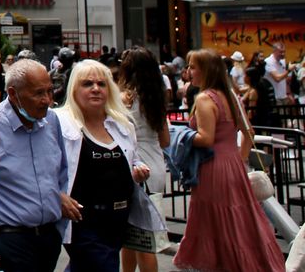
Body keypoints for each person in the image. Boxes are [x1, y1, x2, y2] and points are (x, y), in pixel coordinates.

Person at [175, 49, 284, 271]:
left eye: (193, 67)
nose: (189, 71)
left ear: (205, 70)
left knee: (215, 223)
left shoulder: (205, 98)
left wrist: (179, 135)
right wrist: (240, 159)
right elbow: (249, 132)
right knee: (240, 221)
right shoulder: (230, 96)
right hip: (233, 164)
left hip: (213, 168)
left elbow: (206, 138)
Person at [0, 59, 67, 272]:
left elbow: (61, 174)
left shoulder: (51, 121)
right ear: (13, 94)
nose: (46, 100)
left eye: (49, 91)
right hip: (9, 240)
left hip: (49, 238)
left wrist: (59, 226)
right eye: (38, 93)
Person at [55, 60, 153, 270]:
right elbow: (44, 167)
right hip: (83, 220)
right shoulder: (60, 123)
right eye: (87, 84)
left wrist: (138, 168)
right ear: (74, 89)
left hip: (118, 219)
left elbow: (132, 157)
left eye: (101, 83)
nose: (95, 89)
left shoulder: (122, 125)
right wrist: (58, 195)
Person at [118, 49, 171, 272]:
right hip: (156, 167)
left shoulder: (123, 99)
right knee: (143, 239)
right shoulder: (156, 100)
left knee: (132, 239)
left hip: (133, 166)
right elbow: (166, 140)